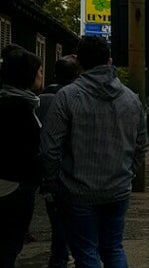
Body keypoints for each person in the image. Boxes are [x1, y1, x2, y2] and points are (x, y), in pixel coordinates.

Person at [40, 36, 149, 268]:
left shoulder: (67, 97)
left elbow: (50, 148)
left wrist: (53, 183)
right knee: (113, 248)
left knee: (86, 252)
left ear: (78, 62)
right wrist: (127, 174)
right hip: (118, 190)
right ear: (109, 61)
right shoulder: (132, 100)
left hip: (77, 191)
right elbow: (141, 146)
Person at [0, 44, 45, 268]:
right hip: (13, 187)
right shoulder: (17, 108)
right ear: (27, 75)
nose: (41, 75)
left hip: (14, 184)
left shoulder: (17, 102)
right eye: (39, 71)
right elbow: (24, 151)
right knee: (9, 246)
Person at [38, 54, 81, 268]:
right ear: (77, 75)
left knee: (58, 226)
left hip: (47, 174)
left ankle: (60, 258)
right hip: (73, 174)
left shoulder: (39, 100)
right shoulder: (77, 99)